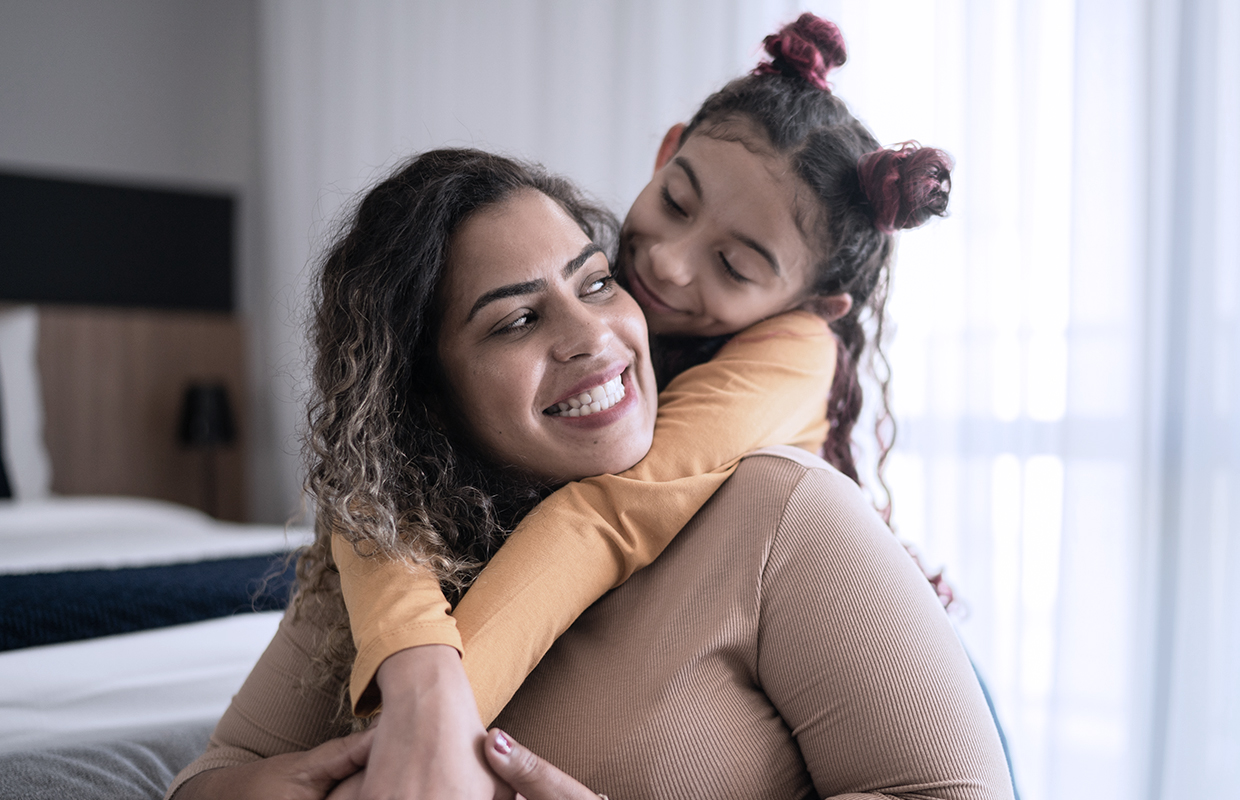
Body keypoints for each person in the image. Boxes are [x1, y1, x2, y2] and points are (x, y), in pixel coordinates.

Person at [167, 148, 1011, 800]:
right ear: (426, 397)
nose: (595, 336)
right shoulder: (395, 551)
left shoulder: (783, 513)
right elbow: (218, 771)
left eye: (597, 283)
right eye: (519, 320)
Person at [326, 15, 956, 797]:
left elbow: (608, 514)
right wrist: (415, 675)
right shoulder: (590, 281)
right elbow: (373, 484)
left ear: (815, 304)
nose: (663, 258)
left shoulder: (795, 355)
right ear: (665, 153)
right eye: (677, 201)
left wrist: (434, 735)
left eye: (731, 264)